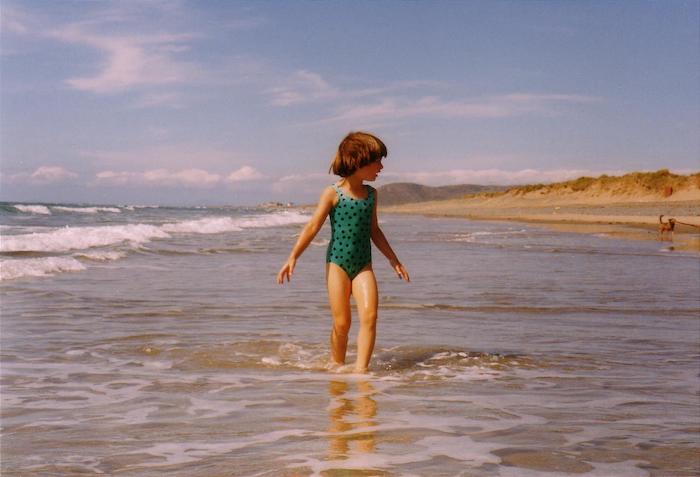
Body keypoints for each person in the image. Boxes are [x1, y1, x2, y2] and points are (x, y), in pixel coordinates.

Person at [277, 131, 410, 373]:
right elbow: (313, 226)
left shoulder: (371, 195)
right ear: (358, 160)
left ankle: (361, 373)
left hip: (363, 265)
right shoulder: (333, 193)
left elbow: (374, 231)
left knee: (370, 317)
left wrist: (394, 259)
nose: (381, 167)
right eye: (377, 161)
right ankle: (336, 367)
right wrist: (293, 257)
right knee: (342, 323)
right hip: (337, 264)